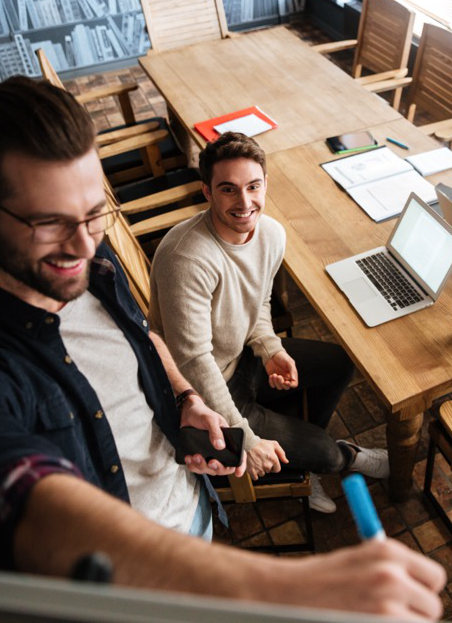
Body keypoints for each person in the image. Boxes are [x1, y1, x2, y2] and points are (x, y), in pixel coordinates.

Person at [0, 77, 445, 621]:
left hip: (195, 506)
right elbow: (24, 505)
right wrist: (288, 587)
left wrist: (183, 396)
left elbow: (143, 335)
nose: (82, 244)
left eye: (94, 212)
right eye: (50, 223)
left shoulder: (94, 270)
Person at [149, 132, 388, 515]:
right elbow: (193, 359)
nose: (244, 203)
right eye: (228, 190)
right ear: (207, 192)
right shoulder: (187, 258)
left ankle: (302, 450)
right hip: (208, 386)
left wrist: (271, 347)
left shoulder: (272, 233)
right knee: (327, 455)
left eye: (253, 187)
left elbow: (258, 301)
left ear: (264, 185)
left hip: (244, 356)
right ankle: (336, 454)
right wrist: (244, 437)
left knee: (340, 363)